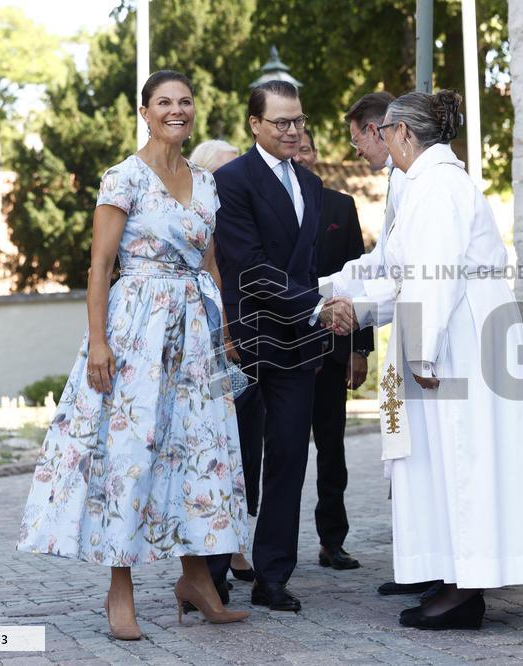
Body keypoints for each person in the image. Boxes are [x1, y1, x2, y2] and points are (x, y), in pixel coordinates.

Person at [17, 70, 250, 640]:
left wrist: (224, 333)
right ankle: (118, 591)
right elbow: (100, 266)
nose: (177, 110)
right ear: (144, 112)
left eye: (185, 102)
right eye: (164, 102)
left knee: (199, 450)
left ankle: (198, 579)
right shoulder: (123, 177)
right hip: (137, 330)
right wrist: (98, 341)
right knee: (131, 451)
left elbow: (211, 261)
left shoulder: (204, 180)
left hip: (196, 330)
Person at [325, 90, 523, 630]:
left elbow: (434, 277)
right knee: (435, 462)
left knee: (462, 456)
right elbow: (401, 273)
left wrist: (422, 352)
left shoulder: (437, 187)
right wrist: (338, 298)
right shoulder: (427, 184)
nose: (381, 142)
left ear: (403, 132)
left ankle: (466, 587)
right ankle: (450, 573)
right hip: (449, 330)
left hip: (459, 340)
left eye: (384, 133)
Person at [210, 80, 356, 612]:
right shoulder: (230, 181)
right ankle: (213, 571)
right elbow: (248, 266)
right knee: (236, 460)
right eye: (282, 123)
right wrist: (316, 306)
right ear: (255, 125)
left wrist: (338, 306)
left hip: (301, 343)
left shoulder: (312, 185)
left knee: (290, 457)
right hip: (248, 339)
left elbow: (316, 266)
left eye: (298, 121)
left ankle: (274, 576)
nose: (294, 131)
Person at [339, 91, 437, 598]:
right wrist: (330, 291)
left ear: (383, 131)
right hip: (407, 324)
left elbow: (407, 271)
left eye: (358, 139)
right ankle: (418, 561)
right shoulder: (404, 181)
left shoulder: (419, 183)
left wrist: (346, 302)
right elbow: (384, 263)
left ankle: (429, 566)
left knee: (418, 453)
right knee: (404, 454)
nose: (357, 151)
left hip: (422, 332)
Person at [294, 127, 373, 571]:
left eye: (308, 148)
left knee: (332, 452)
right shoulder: (271, 206)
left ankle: (332, 541)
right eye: (295, 149)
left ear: (316, 154)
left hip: (332, 350)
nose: (302, 155)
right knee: (279, 452)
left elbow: (360, 282)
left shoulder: (341, 206)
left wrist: (360, 348)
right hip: (281, 352)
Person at [189, 137, 256, 584]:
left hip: (248, 334)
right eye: (224, 173)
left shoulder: (242, 214)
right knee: (208, 448)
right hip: (206, 339)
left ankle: (237, 543)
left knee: (246, 449)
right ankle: (206, 558)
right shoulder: (193, 215)